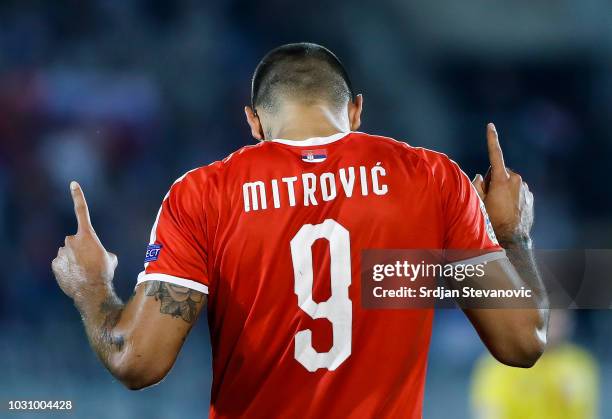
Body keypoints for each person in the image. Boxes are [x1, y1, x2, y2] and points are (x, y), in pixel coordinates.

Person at [51, 43, 549, 418]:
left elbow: (137, 362)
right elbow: (524, 342)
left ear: (253, 121)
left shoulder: (203, 194)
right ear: (355, 110)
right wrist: (510, 235)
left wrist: (89, 285)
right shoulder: (433, 178)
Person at [471, 310, 599, 419]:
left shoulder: (579, 362)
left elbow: (585, 412)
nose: (553, 325)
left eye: (558, 319)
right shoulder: (499, 363)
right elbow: (491, 412)